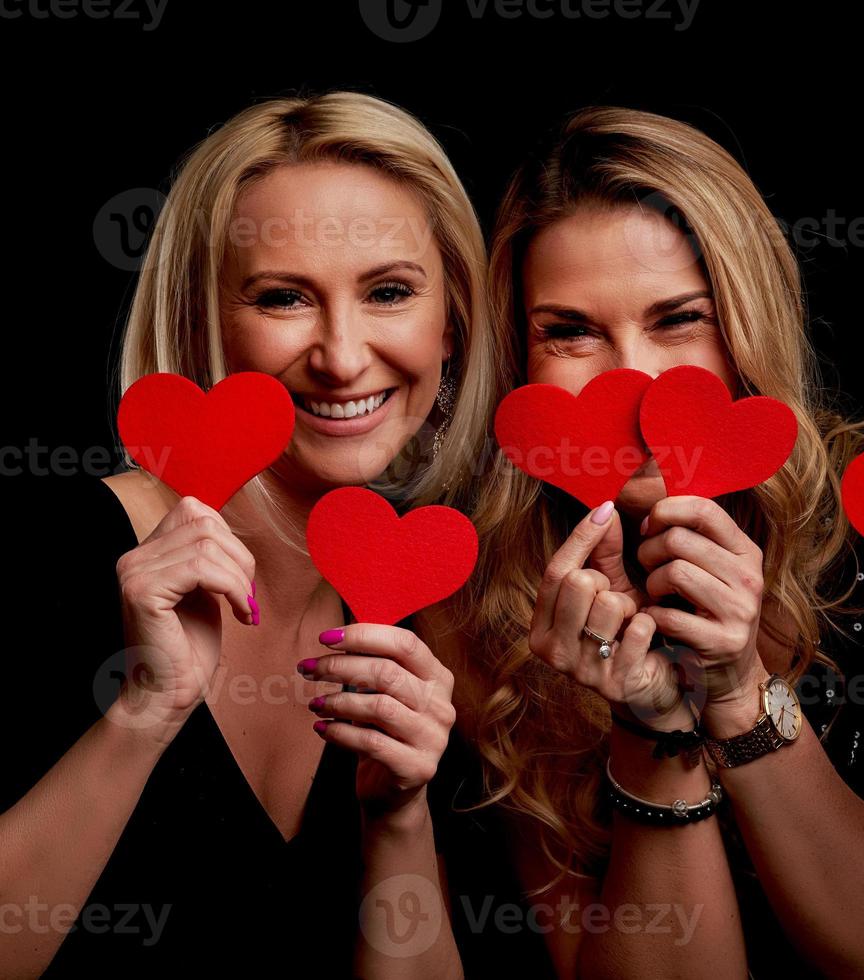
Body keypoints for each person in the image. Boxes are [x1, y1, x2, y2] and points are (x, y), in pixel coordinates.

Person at [416, 106, 864, 978]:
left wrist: (738, 692)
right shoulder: (473, 605)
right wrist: (654, 724)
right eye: (570, 331)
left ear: (744, 328)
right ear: (519, 360)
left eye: (678, 320)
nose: (631, 380)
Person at [0, 90, 505, 978]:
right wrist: (142, 715)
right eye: (283, 300)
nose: (343, 356)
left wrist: (397, 816)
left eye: (389, 291)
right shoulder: (43, 553)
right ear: (205, 320)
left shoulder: (438, 620)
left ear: (453, 319)